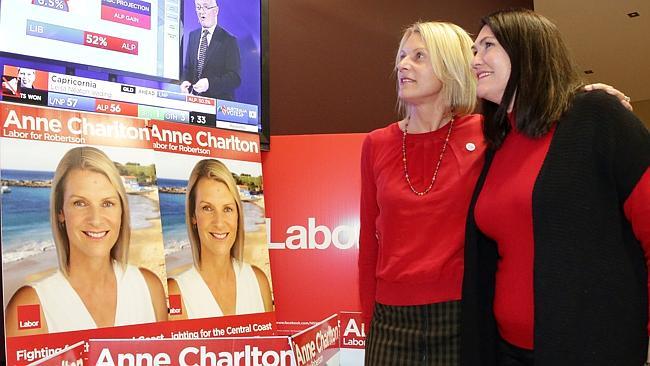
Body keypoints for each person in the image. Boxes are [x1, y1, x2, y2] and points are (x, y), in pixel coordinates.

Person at [359, 20, 634, 366]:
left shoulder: (491, 132)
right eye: (401, 56)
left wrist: (588, 97)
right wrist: (370, 320)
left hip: (464, 313)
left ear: (449, 65)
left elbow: (544, 120)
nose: (402, 65)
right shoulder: (376, 144)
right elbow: (369, 244)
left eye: (418, 56)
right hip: (390, 321)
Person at [461, 8, 650, 366]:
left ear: (527, 49)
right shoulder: (498, 144)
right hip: (505, 351)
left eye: (487, 45)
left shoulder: (596, 116)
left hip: (591, 349)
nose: (475, 60)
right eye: (473, 50)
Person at [4, 147, 167, 336]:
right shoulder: (31, 306)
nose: (96, 220)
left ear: (122, 210)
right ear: (60, 213)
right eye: (80, 203)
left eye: (107, 203)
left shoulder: (149, 287)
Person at [167, 159, 273, 320]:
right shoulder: (176, 292)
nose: (219, 222)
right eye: (207, 208)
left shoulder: (258, 281)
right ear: (193, 215)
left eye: (227, 209)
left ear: (238, 214)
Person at [180, 0, 241, 100]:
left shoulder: (228, 40)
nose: (201, 11)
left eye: (205, 7)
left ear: (215, 11)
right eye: (198, 7)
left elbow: (235, 78)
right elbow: (188, 68)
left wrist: (209, 84)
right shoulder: (193, 36)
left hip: (218, 106)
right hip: (194, 104)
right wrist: (185, 81)